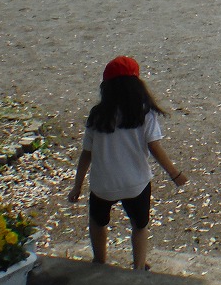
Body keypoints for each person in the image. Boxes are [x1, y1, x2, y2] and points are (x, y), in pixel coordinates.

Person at [68, 55, 188, 270]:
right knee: (140, 226)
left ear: (107, 87)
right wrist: (175, 174)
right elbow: (155, 147)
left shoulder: (97, 115)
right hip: (136, 183)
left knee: (97, 222)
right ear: (136, 84)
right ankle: (139, 266)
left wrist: (77, 186)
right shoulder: (145, 113)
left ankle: (99, 261)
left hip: (103, 185)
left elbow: (86, 154)